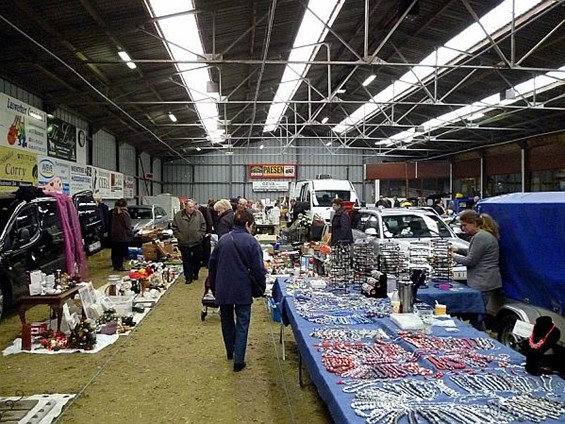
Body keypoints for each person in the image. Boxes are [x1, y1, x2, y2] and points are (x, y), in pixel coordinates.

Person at [208, 209, 267, 372]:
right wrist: (261, 287)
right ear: (248, 224)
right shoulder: (252, 242)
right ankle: (238, 360)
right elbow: (258, 269)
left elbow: (212, 266)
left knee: (226, 320)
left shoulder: (223, 240)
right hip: (242, 288)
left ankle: (230, 351)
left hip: (223, 287)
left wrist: (214, 287)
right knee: (242, 322)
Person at [451, 210, 502, 330]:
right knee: (475, 315)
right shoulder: (483, 236)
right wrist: (458, 249)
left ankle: (481, 338)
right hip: (485, 280)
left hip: (483, 281)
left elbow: (470, 261)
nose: (463, 229)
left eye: (465, 225)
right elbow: (474, 252)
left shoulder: (480, 237)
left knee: (476, 314)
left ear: (474, 223)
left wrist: (452, 256)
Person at [172, 199, 206, 284]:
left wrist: (200, 235)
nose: (192, 209)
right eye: (190, 207)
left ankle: (196, 273)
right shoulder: (178, 215)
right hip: (184, 242)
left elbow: (203, 225)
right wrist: (179, 236)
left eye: (193, 207)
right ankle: (188, 277)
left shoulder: (199, 214)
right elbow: (174, 227)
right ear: (185, 207)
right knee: (186, 261)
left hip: (197, 241)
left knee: (197, 260)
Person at [110, 198, 133, 271]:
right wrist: (131, 234)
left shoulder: (114, 212)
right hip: (123, 236)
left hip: (115, 236)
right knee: (121, 252)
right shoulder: (125, 213)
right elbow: (128, 225)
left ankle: (115, 265)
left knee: (115, 251)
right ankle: (120, 266)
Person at [197, 201, 214, 268]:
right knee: (203, 247)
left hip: (206, 232)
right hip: (202, 232)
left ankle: (207, 262)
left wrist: (209, 231)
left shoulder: (204, 209)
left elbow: (209, 220)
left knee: (206, 247)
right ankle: (204, 262)